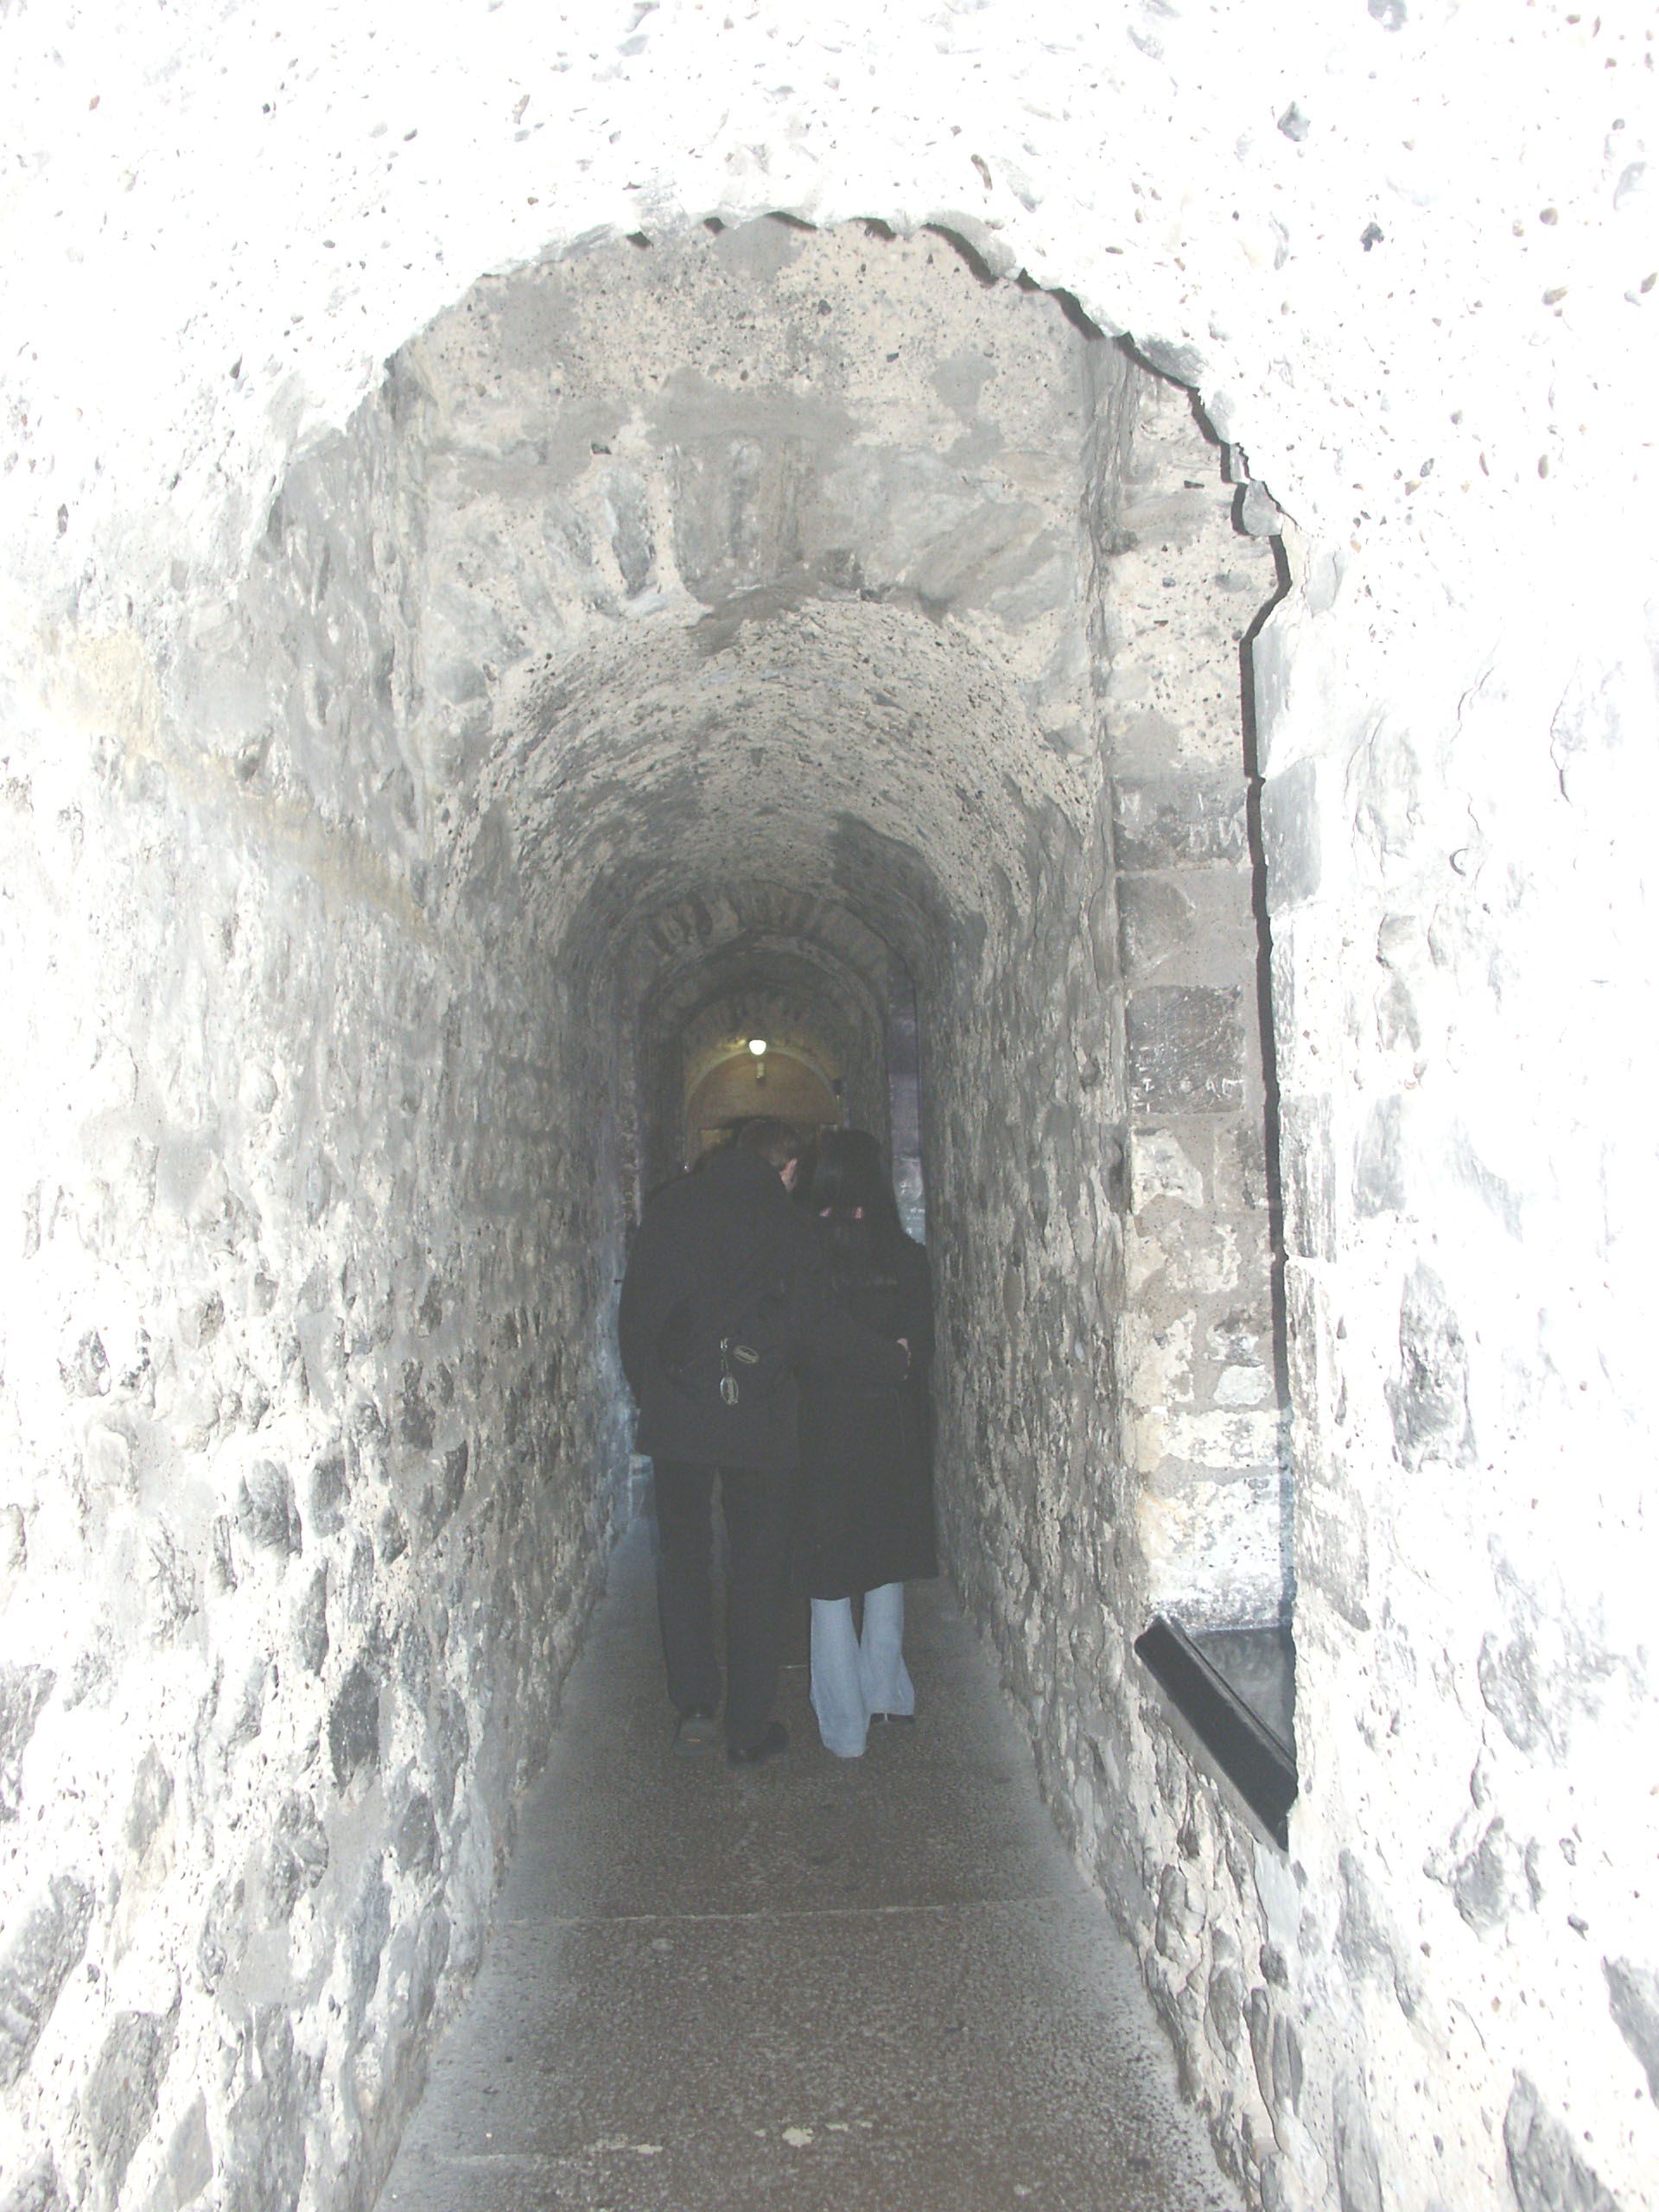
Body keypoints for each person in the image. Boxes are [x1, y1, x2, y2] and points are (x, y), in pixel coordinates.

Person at [618, 1117, 910, 1767]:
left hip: (678, 1416)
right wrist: (890, 1360)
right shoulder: (787, 1224)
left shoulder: (671, 1209)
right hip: (758, 1419)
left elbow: (636, 1316)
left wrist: (654, 1392)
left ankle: (696, 1703)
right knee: (758, 1567)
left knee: (684, 1558)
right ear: (787, 1169)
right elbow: (818, 1328)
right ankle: (748, 1727)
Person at [796, 1129, 937, 1759]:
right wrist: (891, 1359)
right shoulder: (902, 1256)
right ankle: (886, 1693)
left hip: (821, 1425)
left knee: (828, 1574)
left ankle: (845, 1723)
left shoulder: (803, 1256)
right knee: (885, 1557)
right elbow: (916, 1348)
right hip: (890, 1423)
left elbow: (804, 1344)